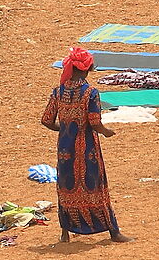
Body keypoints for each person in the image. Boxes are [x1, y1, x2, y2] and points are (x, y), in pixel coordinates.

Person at [39, 47, 129, 242]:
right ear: (87, 70)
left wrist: (64, 130)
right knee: (96, 187)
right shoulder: (90, 93)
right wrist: (106, 132)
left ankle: (65, 233)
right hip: (87, 148)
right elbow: (94, 122)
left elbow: (46, 119)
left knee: (66, 188)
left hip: (65, 149)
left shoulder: (58, 92)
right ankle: (113, 232)